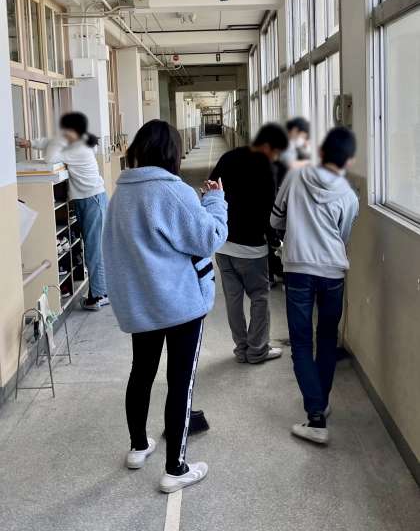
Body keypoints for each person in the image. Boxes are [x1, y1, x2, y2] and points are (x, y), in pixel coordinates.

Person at [102, 120, 228, 493]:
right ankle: (176, 468)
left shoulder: (120, 195)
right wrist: (215, 202)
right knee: (180, 382)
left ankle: (138, 447)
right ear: (172, 152)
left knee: (141, 374)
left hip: (140, 305)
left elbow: (114, 253)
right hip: (180, 306)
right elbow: (209, 238)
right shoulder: (174, 191)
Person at [271, 127, 359, 445]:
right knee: (326, 339)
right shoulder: (349, 196)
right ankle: (321, 402)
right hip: (333, 272)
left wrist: (295, 228)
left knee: (301, 343)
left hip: (298, 269)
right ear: (349, 160)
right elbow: (342, 236)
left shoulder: (296, 177)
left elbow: (275, 220)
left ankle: (316, 416)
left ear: (321, 153)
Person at [210, 123, 289, 364]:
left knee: (233, 300)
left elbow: (211, 190)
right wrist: (275, 241)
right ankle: (257, 350)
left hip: (223, 245)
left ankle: (241, 348)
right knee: (259, 297)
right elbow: (269, 211)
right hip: (251, 249)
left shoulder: (228, 157)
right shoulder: (265, 167)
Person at [19, 112, 108, 311]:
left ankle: (99, 295)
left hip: (92, 200)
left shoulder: (77, 147)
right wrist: (31, 143)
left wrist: (57, 140)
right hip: (90, 199)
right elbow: (49, 142)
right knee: (93, 247)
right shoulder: (79, 141)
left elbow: (50, 156)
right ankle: (100, 291)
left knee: (94, 249)